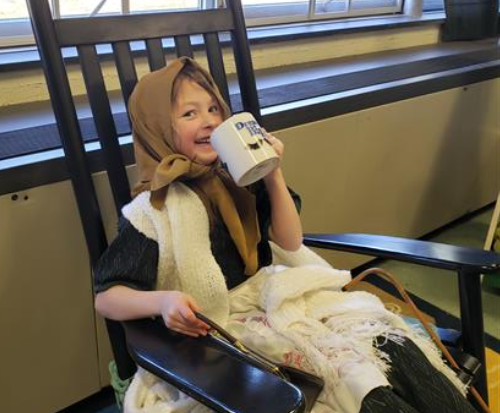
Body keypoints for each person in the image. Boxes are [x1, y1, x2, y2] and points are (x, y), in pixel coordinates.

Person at [93, 57, 478, 413]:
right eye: (190, 113)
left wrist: (272, 172)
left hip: (278, 297)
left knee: (393, 347)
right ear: (157, 128)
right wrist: (162, 301)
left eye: (214, 109)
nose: (209, 121)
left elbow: (290, 241)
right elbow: (107, 298)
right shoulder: (152, 210)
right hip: (226, 328)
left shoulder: (239, 179)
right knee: (362, 388)